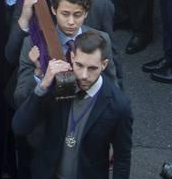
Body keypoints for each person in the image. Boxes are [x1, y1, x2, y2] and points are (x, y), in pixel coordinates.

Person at [11, 31, 133, 179]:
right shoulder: (58, 86)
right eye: (79, 65)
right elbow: (20, 127)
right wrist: (42, 86)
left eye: (92, 68)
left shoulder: (119, 105)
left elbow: (122, 159)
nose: (84, 75)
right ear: (72, 58)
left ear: (104, 64)